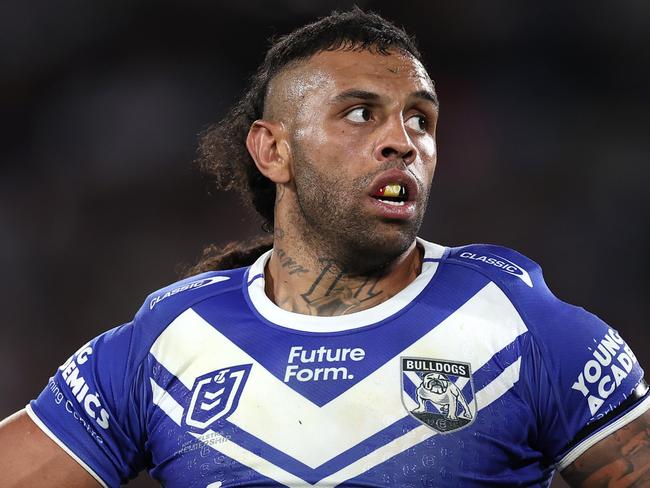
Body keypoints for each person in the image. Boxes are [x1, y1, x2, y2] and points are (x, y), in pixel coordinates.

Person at [0, 8, 648, 488]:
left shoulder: (519, 326)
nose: (403, 140)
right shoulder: (169, 342)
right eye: (361, 113)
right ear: (273, 149)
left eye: (420, 117)